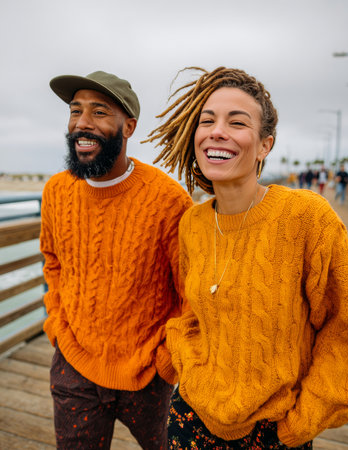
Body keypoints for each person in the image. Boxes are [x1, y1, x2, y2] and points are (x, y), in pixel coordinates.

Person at [145, 67, 348, 449]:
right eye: (206, 120)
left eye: (237, 122)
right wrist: (186, 362)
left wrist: (300, 423)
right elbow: (191, 312)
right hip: (189, 418)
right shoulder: (193, 222)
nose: (217, 131)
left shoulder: (306, 217)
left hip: (273, 433)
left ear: (264, 145)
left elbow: (347, 329)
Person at [40, 71, 192, 449]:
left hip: (147, 373)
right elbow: (53, 262)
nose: (83, 124)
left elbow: (190, 291)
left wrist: (166, 360)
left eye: (99, 112)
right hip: (74, 363)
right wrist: (57, 326)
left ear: (129, 127)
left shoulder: (168, 201)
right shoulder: (56, 191)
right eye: (75, 112)